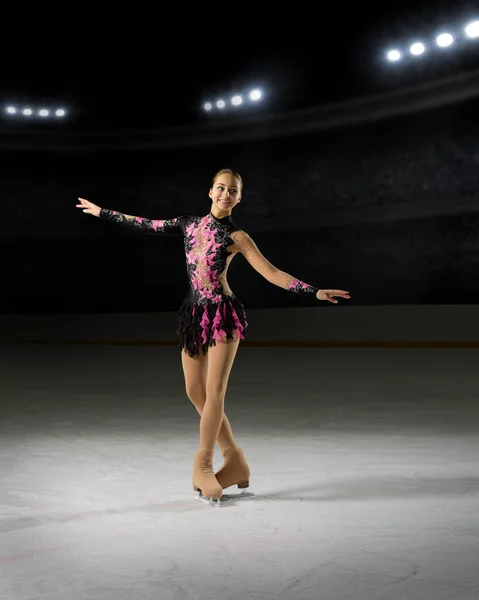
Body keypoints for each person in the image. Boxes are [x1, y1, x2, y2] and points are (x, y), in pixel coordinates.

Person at [76, 168, 350, 506]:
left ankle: (203, 463)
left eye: (232, 190)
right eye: (220, 188)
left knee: (215, 389)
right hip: (194, 314)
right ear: (210, 191)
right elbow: (148, 225)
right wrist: (102, 211)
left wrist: (315, 291)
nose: (225, 194)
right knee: (194, 391)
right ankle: (234, 459)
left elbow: (273, 273)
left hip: (223, 314)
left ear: (239, 197)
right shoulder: (188, 223)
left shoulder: (238, 237)